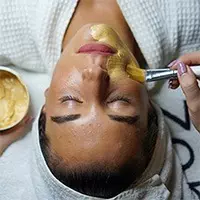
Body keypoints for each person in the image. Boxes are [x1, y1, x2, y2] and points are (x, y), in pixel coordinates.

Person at [0, 0, 200, 199]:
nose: (95, 74)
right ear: (149, 104)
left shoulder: (6, 28)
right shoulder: (192, 20)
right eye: (120, 101)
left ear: (46, 102)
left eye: (70, 100)